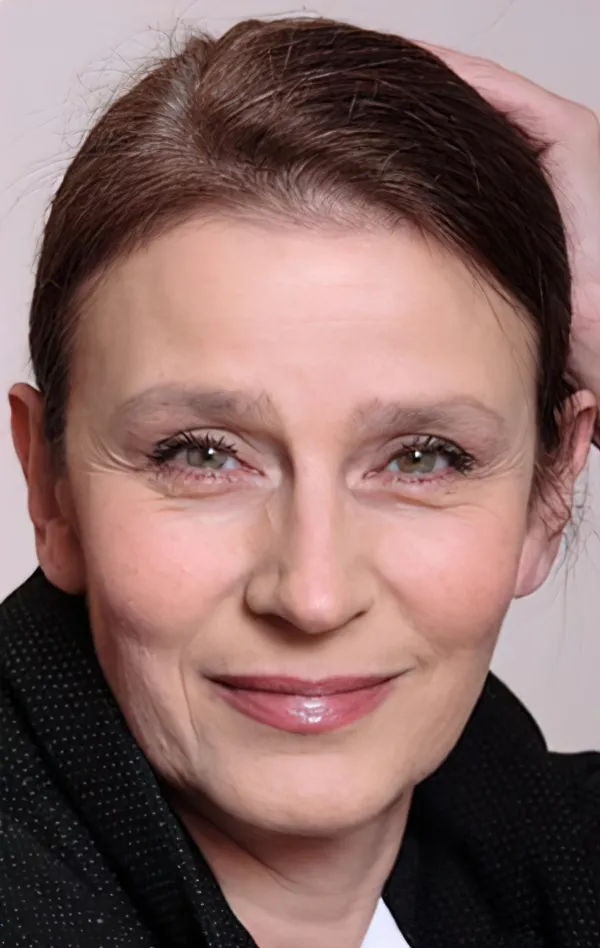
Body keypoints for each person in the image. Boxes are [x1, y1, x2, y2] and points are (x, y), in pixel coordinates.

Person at [1, 15, 600, 948]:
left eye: (422, 456)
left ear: (549, 493)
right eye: (202, 454)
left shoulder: (535, 847)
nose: (313, 596)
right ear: (50, 487)